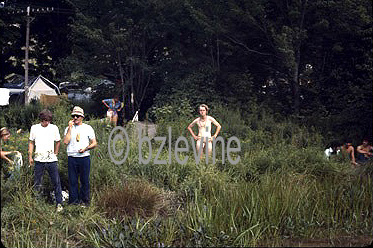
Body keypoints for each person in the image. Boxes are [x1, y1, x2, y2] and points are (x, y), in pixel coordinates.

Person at [28, 110, 63, 212]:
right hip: (39, 160)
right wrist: (30, 156)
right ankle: (37, 204)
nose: (46, 123)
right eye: (44, 121)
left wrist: (55, 153)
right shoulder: (34, 128)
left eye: (48, 120)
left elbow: (58, 141)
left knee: (56, 182)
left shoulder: (54, 128)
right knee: (37, 182)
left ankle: (59, 203)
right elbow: (31, 142)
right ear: (41, 120)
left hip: (51, 160)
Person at [63, 106, 97, 206]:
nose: (75, 118)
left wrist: (86, 148)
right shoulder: (68, 128)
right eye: (74, 116)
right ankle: (73, 202)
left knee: (84, 180)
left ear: (82, 117)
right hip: (72, 157)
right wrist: (69, 128)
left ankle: (84, 202)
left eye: (78, 116)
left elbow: (94, 143)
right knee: (72, 181)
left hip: (84, 157)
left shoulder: (88, 128)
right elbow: (65, 142)